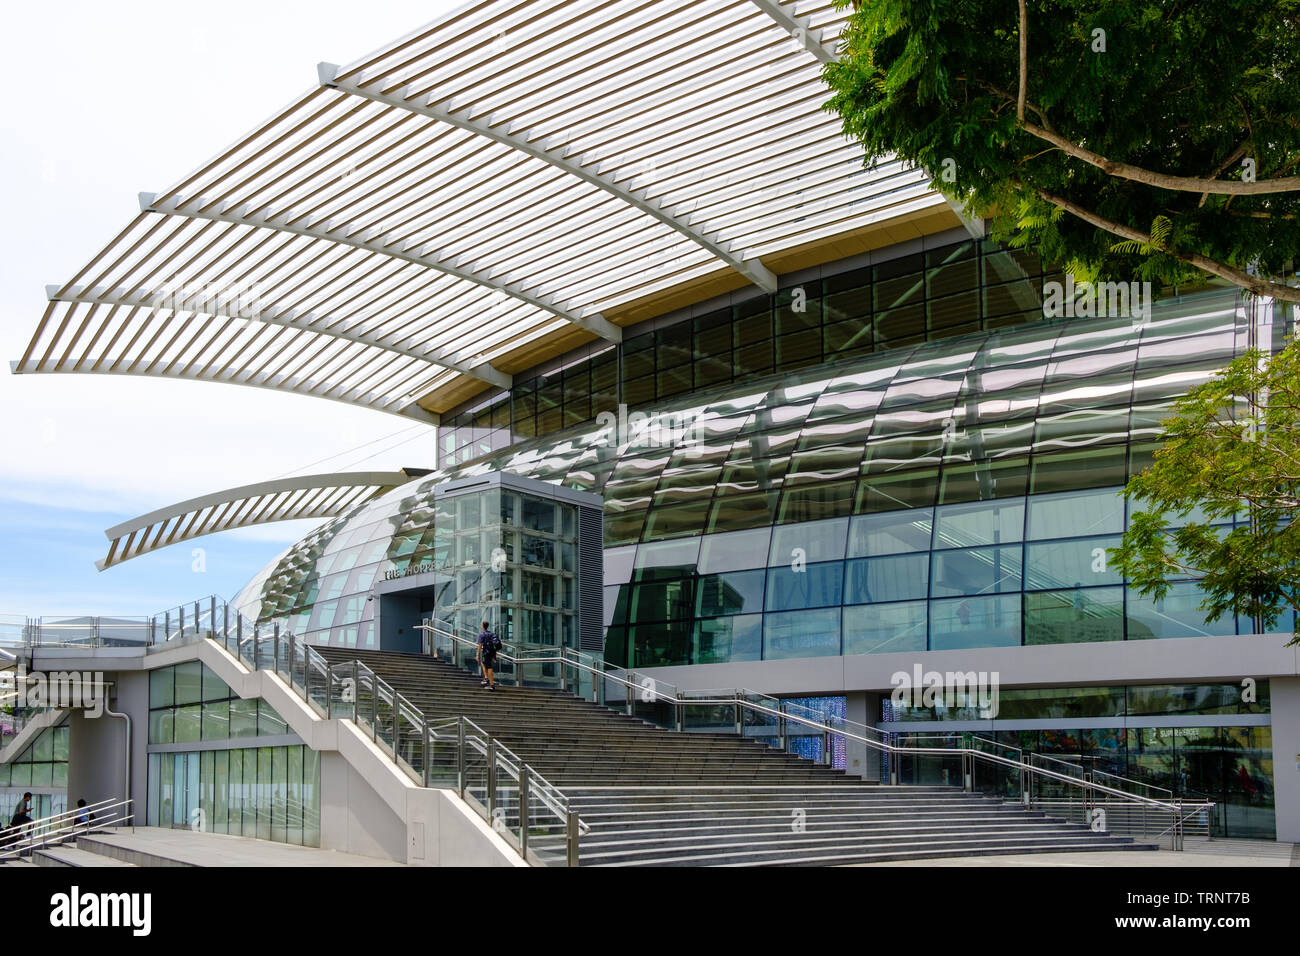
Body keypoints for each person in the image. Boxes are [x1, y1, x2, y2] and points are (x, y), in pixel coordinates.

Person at [476, 620, 501, 691]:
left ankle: (492, 685)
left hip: (486, 652)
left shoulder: (482, 634)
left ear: (482, 626)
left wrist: (477, 654)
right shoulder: (491, 634)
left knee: (489, 667)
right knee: (483, 663)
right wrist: (495, 653)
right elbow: (494, 644)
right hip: (492, 652)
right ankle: (486, 678)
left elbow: (480, 645)